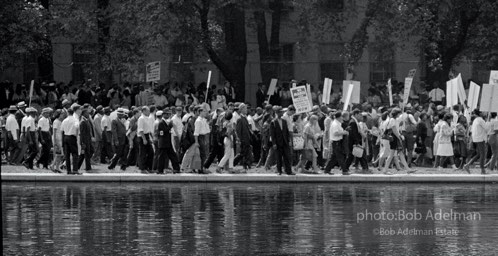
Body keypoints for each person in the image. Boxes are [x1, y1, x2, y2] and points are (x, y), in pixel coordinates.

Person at [382, 108, 415, 174]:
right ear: (396, 114)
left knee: (400, 154)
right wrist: (399, 137)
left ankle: (408, 169)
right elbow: (394, 130)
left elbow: (396, 129)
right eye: (399, 113)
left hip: (395, 138)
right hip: (394, 138)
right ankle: (385, 170)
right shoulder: (392, 120)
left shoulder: (394, 120)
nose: (400, 114)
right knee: (392, 155)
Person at [269, 106, 294, 175]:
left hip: (285, 142)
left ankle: (288, 171)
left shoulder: (284, 121)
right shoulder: (273, 122)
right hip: (278, 142)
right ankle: (279, 171)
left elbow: (286, 132)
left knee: (287, 156)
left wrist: (289, 141)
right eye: (281, 112)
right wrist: (274, 143)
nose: (282, 113)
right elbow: (272, 134)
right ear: (277, 113)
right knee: (278, 157)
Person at [344, 109, 370, 173]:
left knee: (358, 155)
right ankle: (345, 168)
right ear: (355, 114)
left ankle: (365, 167)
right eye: (359, 115)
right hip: (353, 142)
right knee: (353, 155)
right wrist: (357, 142)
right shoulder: (353, 122)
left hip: (354, 142)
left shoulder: (354, 121)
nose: (360, 116)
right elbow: (353, 134)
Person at [463, 110, 488, 174]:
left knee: (479, 154)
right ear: (480, 113)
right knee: (483, 154)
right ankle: (482, 170)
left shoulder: (475, 120)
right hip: (480, 139)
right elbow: (486, 128)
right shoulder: (480, 120)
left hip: (476, 139)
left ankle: (467, 165)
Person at [157, 109, 180, 174]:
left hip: (168, 143)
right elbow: (163, 132)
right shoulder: (161, 123)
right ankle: (160, 170)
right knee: (161, 157)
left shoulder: (166, 122)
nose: (168, 115)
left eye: (169, 114)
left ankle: (176, 168)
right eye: (167, 114)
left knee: (173, 156)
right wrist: (170, 126)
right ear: (163, 115)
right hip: (163, 143)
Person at [61, 104, 82, 175]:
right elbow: (77, 127)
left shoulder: (64, 120)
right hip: (72, 137)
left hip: (65, 136)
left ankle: (68, 170)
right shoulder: (75, 119)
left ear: (67, 113)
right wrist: (76, 135)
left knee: (67, 155)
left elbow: (62, 130)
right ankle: (75, 170)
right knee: (75, 154)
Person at [234, 103, 253, 169]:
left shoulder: (245, 118)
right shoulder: (240, 119)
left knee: (246, 152)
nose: (246, 110)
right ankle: (233, 163)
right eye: (245, 108)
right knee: (242, 153)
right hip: (243, 139)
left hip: (247, 139)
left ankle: (246, 165)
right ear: (241, 109)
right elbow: (238, 131)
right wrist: (240, 139)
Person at [193, 106, 211, 173]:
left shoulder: (203, 120)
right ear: (200, 112)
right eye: (204, 111)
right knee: (202, 154)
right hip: (200, 137)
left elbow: (207, 130)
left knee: (204, 154)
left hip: (204, 136)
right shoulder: (198, 121)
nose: (205, 113)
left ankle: (202, 167)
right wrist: (196, 142)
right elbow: (196, 132)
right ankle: (200, 169)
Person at [137, 106, 154, 172]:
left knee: (150, 152)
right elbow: (140, 130)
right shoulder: (141, 118)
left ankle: (149, 167)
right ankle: (142, 168)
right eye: (148, 111)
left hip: (147, 135)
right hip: (142, 136)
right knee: (143, 153)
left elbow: (148, 129)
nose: (149, 112)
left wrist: (151, 137)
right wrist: (144, 139)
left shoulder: (147, 118)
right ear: (144, 111)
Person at [78, 105, 94, 172]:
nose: (88, 114)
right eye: (87, 113)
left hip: (88, 139)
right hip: (85, 141)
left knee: (86, 153)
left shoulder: (86, 120)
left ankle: (77, 166)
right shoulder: (82, 122)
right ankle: (88, 167)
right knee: (86, 153)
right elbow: (81, 133)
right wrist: (82, 143)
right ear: (84, 114)